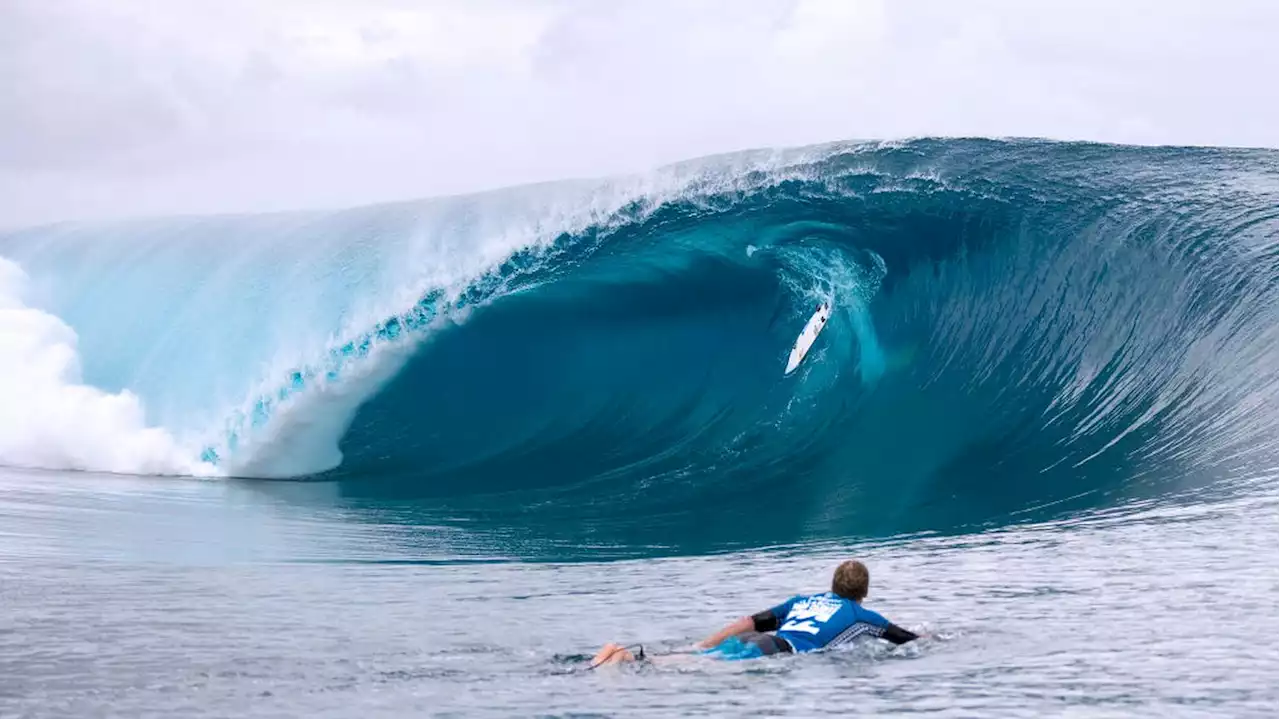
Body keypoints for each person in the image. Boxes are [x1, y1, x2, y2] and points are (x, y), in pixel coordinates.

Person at [590, 559, 919, 667]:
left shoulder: (801, 601)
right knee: (682, 669)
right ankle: (618, 660)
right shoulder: (862, 616)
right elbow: (905, 639)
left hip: (761, 639)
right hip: (774, 649)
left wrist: (703, 643)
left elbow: (748, 622)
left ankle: (615, 655)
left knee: (680, 660)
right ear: (864, 592)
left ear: (832, 584)